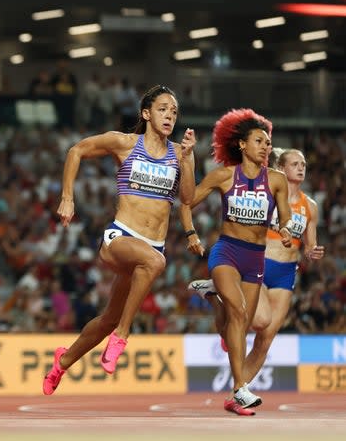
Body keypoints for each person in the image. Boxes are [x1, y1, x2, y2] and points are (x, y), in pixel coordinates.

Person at [42, 85, 196, 395]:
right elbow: (76, 150)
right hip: (120, 237)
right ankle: (123, 336)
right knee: (156, 262)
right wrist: (67, 197)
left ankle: (63, 362)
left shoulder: (180, 152)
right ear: (146, 113)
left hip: (151, 245)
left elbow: (188, 198)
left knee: (109, 317)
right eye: (163, 108)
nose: (169, 115)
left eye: (174, 111)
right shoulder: (125, 143)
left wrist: (189, 159)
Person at [179, 109, 293, 416]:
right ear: (242, 145)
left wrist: (283, 230)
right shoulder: (224, 175)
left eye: (268, 143)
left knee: (240, 323)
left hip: (255, 257)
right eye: (259, 141)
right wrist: (191, 233)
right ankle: (241, 389)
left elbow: (285, 216)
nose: (266, 147)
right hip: (226, 252)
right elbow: (187, 201)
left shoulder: (278, 181)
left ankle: (212, 296)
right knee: (239, 312)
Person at [188, 147, 324, 392]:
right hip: (260, 262)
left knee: (266, 337)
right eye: (295, 164)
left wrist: (311, 251)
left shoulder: (310, 206)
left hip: (286, 272)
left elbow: (309, 242)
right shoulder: (269, 192)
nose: (301, 168)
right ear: (281, 169)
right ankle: (218, 297)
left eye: (303, 164)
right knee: (258, 320)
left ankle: (238, 392)